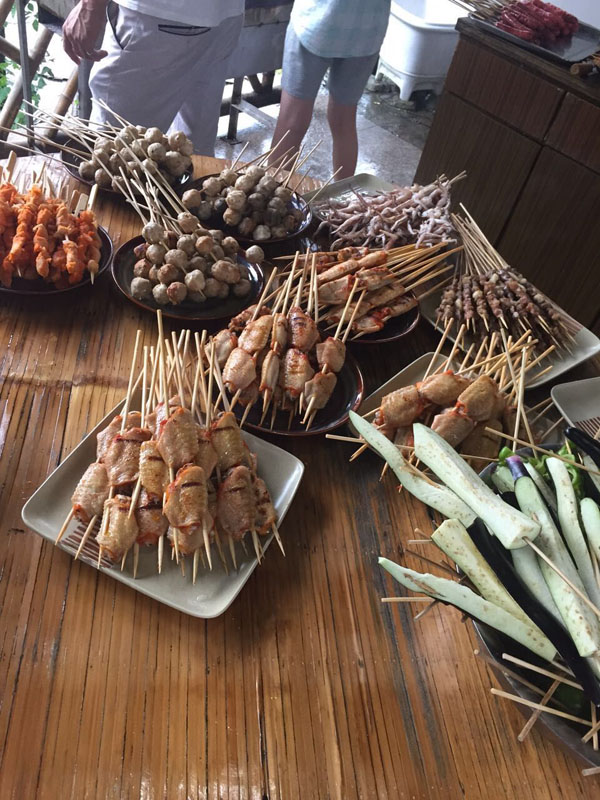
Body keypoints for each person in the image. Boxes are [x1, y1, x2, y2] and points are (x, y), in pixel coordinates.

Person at [62, 0, 244, 155]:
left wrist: (91, 5)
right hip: (225, 15)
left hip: (162, 15)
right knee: (191, 153)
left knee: (113, 154)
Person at [270, 0, 391, 179]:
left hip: (317, 22)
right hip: (367, 31)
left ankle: (269, 191)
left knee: (293, 119)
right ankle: (343, 195)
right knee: (344, 121)